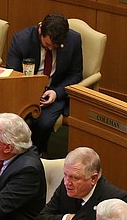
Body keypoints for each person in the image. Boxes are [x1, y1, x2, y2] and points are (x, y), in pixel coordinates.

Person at [5, 13, 82, 155]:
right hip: (23, 89)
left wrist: (56, 92)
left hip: (54, 89)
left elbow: (76, 74)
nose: (51, 49)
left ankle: (36, 154)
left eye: (56, 46)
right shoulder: (21, 40)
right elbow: (12, 73)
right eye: (47, 45)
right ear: (40, 30)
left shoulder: (74, 40)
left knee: (43, 123)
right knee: (10, 120)